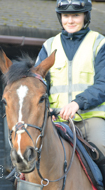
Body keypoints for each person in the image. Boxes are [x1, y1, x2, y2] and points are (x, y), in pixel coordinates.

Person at [35, 0, 105, 187]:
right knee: (28, 152)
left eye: (76, 15)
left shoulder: (99, 43)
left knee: (103, 147)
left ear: (86, 16)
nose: (70, 20)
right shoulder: (49, 46)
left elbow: (103, 83)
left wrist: (77, 103)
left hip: (90, 117)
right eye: (66, 16)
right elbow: (38, 83)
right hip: (57, 120)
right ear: (61, 18)